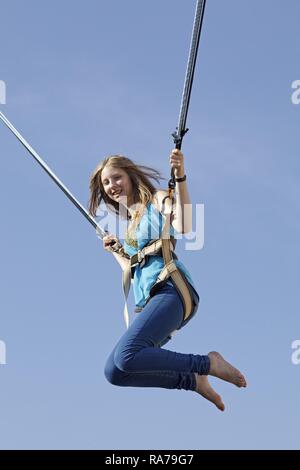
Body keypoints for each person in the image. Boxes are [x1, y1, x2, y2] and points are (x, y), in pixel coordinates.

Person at [88, 149, 247, 411]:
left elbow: (184, 225)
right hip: (155, 299)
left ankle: (207, 364)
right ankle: (192, 380)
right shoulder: (130, 228)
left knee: (126, 356)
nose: (111, 186)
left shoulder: (157, 201)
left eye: (116, 178)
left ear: (130, 176)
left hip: (172, 290)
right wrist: (116, 251)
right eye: (105, 182)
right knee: (115, 371)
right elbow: (131, 268)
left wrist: (181, 176)